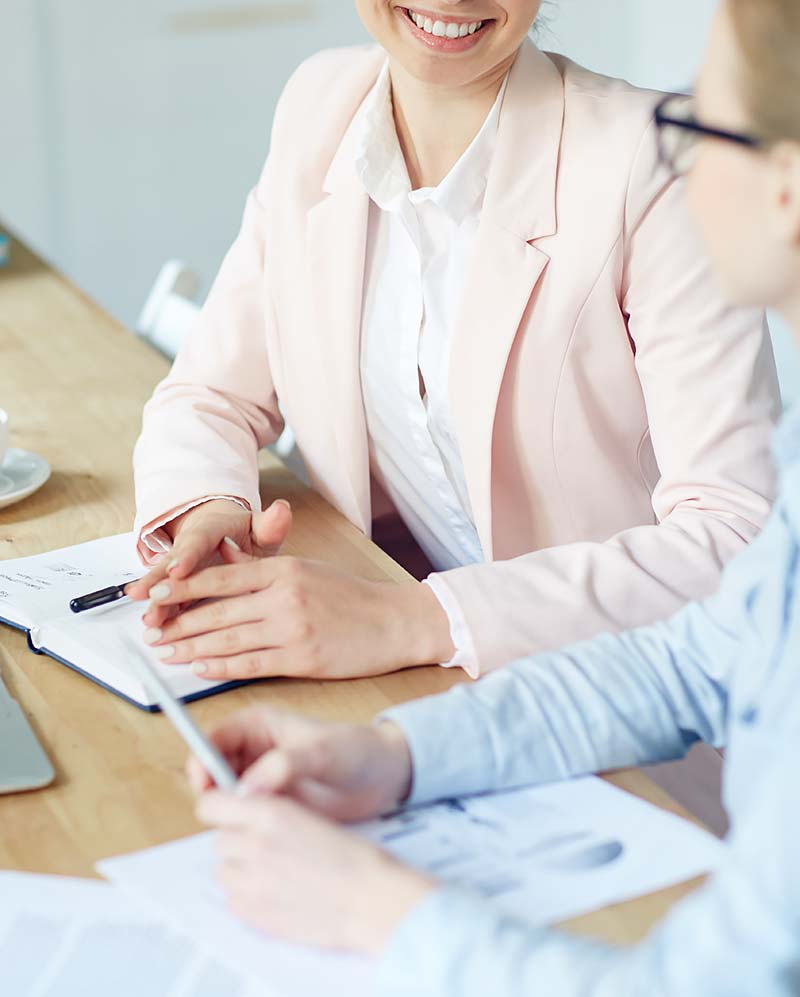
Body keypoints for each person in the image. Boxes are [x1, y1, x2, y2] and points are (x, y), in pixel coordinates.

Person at [188, 1, 800, 992]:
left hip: (665, 790)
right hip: (522, 717)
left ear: (783, 190)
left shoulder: (632, 174)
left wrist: (371, 908)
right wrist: (394, 755)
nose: (677, 150)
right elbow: (684, 663)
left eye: (698, 122)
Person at [127, 1, 779, 684]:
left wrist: (407, 620)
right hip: (424, 683)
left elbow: (735, 536)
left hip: (641, 700)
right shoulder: (320, 106)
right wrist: (210, 506)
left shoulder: (652, 164)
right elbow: (210, 392)